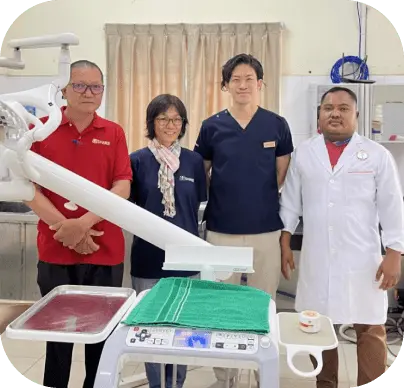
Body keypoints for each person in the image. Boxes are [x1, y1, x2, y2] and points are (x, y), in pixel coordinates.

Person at [279, 86, 404, 388]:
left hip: (364, 259)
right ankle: (325, 384)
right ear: (318, 115)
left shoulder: (377, 155)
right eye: (328, 108)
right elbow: (291, 202)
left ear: (356, 115)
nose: (335, 113)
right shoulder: (305, 153)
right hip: (318, 256)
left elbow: (392, 205)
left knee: (371, 328)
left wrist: (394, 254)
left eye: (343, 108)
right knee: (318, 327)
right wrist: (284, 240)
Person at [24, 60, 132, 388]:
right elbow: (28, 189)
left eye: (95, 86)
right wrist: (66, 229)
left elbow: (122, 186)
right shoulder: (40, 130)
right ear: (64, 90)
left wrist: (82, 224)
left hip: (104, 250)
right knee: (57, 337)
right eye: (80, 85)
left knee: (101, 337)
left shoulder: (113, 132)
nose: (88, 92)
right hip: (56, 251)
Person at [193, 53, 294, 387]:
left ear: (260, 84)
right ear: (226, 86)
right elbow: (201, 174)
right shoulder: (212, 127)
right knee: (222, 306)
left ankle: (259, 373)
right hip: (222, 231)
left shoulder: (276, 125)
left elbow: (281, 176)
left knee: (263, 304)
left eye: (249, 78)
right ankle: (226, 377)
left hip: (265, 229)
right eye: (235, 79)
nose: (242, 85)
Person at [129, 94, 207, 388]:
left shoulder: (194, 161)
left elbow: (198, 204)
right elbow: (130, 207)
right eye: (163, 119)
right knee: (151, 328)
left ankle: (177, 383)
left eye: (176, 119)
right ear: (152, 123)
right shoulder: (137, 160)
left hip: (187, 259)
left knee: (183, 329)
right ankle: (156, 383)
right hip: (148, 259)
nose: (170, 124)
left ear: (184, 124)